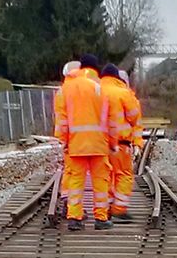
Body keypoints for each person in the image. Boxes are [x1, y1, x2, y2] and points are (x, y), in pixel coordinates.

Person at [54, 54, 113, 230]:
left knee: (76, 182)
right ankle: (101, 219)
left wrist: (63, 140)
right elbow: (109, 118)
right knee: (100, 181)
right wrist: (112, 142)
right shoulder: (100, 88)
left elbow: (61, 119)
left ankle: (75, 218)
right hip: (98, 144)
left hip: (75, 144)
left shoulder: (65, 89)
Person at [101, 64, 143, 221]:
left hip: (100, 143)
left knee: (104, 176)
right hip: (120, 144)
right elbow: (134, 118)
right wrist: (138, 143)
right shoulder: (124, 93)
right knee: (123, 175)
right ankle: (119, 209)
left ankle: (104, 209)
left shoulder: (96, 90)